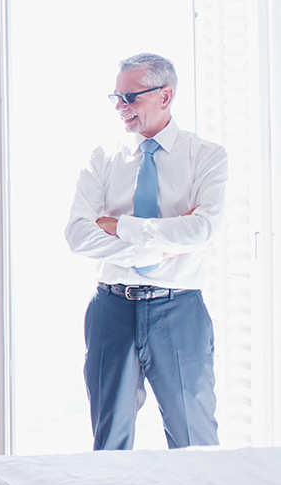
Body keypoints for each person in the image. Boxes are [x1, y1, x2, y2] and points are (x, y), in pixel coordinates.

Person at [65, 52, 227, 450]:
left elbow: (202, 229)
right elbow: (77, 235)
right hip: (111, 309)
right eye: (116, 97)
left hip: (180, 311)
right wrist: (151, 252)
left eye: (130, 97)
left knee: (195, 441)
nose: (120, 107)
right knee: (109, 442)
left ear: (165, 96)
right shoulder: (102, 159)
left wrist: (120, 226)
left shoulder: (206, 156)